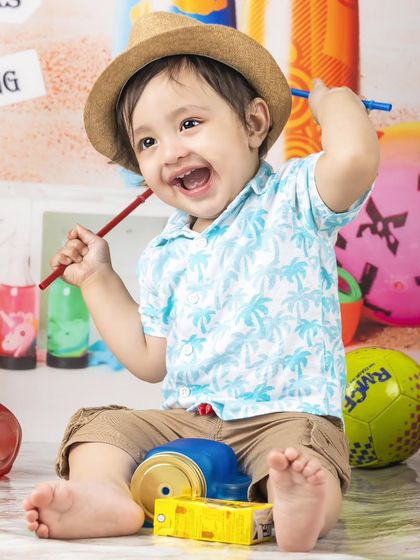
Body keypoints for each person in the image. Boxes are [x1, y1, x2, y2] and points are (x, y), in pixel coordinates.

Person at [23, 11, 379, 552]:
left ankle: (301, 507)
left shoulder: (294, 200)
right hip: (189, 421)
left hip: (282, 418)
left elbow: (353, 157)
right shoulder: (167, 252)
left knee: (308, 456)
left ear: (254, 124)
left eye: (188, 124)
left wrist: (339, 107)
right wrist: (98, 278)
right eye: (146, 143)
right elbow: (149, 360)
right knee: (97, 429)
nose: (169, 152)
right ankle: (105, 495)